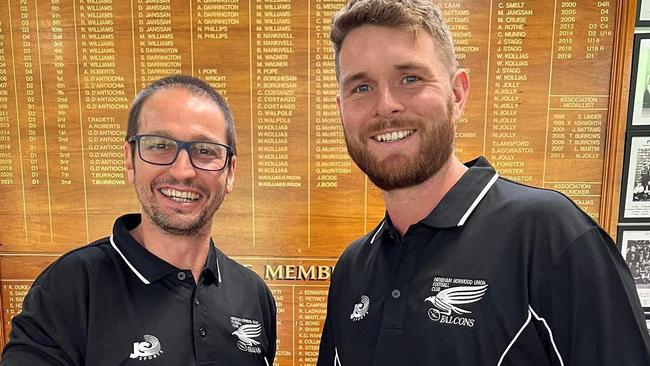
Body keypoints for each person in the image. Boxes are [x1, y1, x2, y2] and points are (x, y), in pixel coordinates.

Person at [317, 1, 650, 365]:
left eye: (410, 78)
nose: (386, 104)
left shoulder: (550, 237)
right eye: (361, 87)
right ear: (341, 109)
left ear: (457, 94)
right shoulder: (352, 269)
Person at [1, 75, 276, 365]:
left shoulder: (253, 294)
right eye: (160, 146)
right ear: (130, 159)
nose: (183, 171)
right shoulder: (70, 287)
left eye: (205, 151)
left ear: (229, 172)